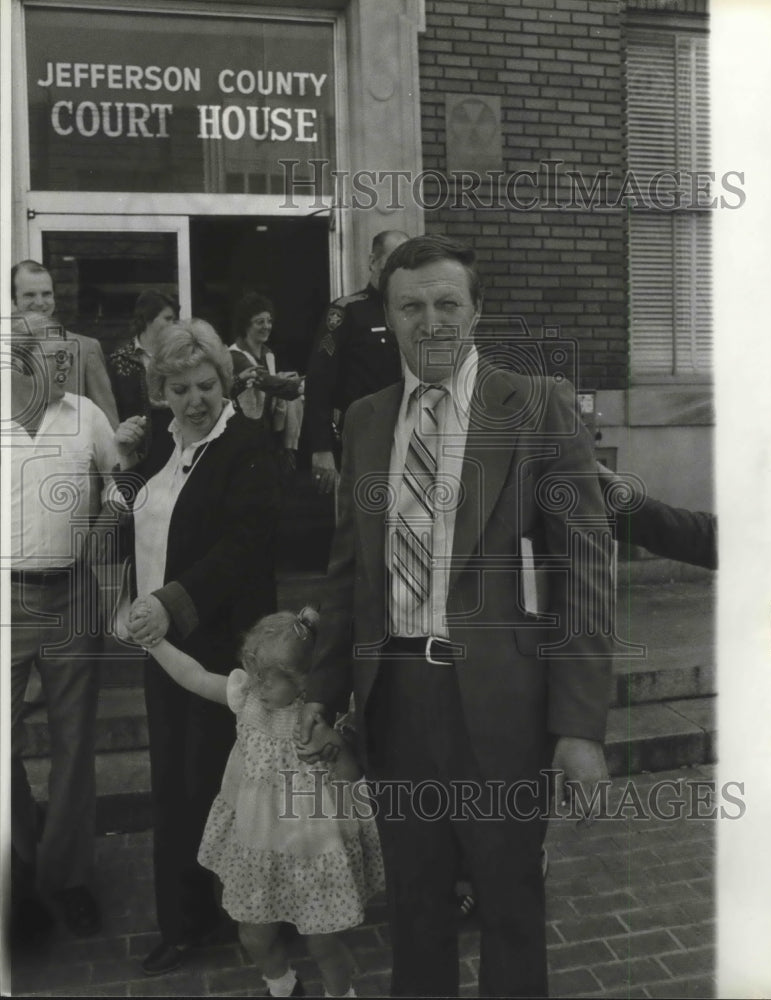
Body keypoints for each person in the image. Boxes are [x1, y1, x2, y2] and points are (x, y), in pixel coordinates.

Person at [299, 235, 613, 997]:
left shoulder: (537, 408)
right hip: (396, 702)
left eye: (447, 304)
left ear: (475, 312)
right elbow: (349, 577)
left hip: (499, 708)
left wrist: (577, 726)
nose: (430, 321)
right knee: (414, 907)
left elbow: (584, 573)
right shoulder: (368, 420)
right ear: (388, 316)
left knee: (509, 906)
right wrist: (320, 692)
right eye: (411, 306)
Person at [113, 319, 280, 976]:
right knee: (174, 788)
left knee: (230, 789)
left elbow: (245, 547)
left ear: (224, 380)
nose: (194, 399)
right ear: (162, 389)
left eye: (204, 385)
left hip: (222, 652)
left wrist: (168, 602)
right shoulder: (159, 442)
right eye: (179, 388)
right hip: (163, 650)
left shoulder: (246, 444)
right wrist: (124, 471)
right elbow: (136, 514)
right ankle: (184, 922)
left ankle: (257, 920)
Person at [132, 606, 384, 998]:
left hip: (311, 848)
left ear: (303, 682)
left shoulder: (318, 721)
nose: (256, 684)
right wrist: (156, 644)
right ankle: (282, 986)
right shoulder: (246, 698)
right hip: (258, 846)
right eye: (252, 670)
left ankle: (340, 992)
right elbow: (194, 676)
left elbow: (352, 777)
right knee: (253, 934)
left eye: (267, 678)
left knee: (323, 943)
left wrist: (335, 747)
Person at [8, 313, 119, 943]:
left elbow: (122, 481)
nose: (60, 369)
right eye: (47, 359)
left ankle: (69, 878)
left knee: (75, 746)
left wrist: (108, 517)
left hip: (73, 595)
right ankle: (23, 863)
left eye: (63, 358)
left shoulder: (87, 416)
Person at [303, 230, 409, 495]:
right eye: (389, 266)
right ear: (373, 262)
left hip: (405, 440)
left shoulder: (412, 313)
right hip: (358, 443)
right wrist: (321, 448)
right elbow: (319, 379)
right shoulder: (345, 312)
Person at [12, 259, 119, 428]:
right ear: (13, 300)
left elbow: (108, 425)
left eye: (46, 294)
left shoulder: (86, 349)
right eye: (30, 295)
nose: (40, 303)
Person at [228, 291, 303, 464]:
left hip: (267, 436)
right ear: (246, 325)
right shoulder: (235, 355)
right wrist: (297, 386)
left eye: (269, 321)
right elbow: (266, 382)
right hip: (245, 436)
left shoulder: (268, 354)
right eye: (259, 322)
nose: (267, 326)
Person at [106, 289, 179, 466]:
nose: (175, 325)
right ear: (148, 319)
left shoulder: (178, 356)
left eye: (175, 320)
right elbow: (112, 411)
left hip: (176, 445)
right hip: (137, 451)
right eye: (168, 319)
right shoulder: (119, 360)